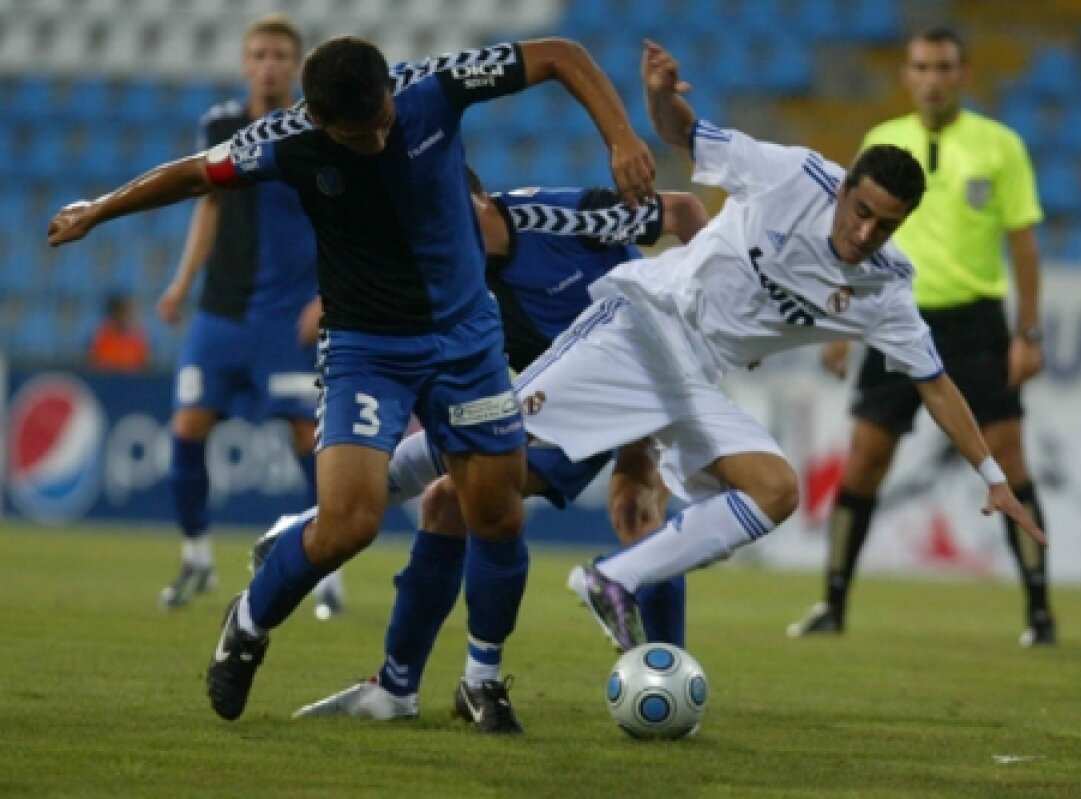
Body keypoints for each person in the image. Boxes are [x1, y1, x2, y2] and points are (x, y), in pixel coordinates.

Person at [47, 35, 656, 732]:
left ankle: (482, 679)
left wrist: (622, 137)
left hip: (465, 339)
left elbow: (559, 55)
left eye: (382, 120)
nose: (375, 136)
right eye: (356, 132)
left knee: (496, 511)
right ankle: (246, 622)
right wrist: (99, 208)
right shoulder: (282, 140)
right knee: (348, 522)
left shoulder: (432, 88)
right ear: (318, 118)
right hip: (367, 346)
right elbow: (192, 174)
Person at [493, 39, 1043, 653]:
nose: (865, 233)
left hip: (694, 376)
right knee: (479, 446)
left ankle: (612, 581)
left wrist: (991, 476)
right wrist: (657, 96)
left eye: (884, 225)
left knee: (773, 490)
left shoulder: (886, 287)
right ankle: (378, 484)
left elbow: (936, 385)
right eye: (859, 212)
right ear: (842, 188)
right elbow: (685, 134)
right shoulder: (791, 175)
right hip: (645, 324)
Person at [283, 170, 708, 724]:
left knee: (636, 505)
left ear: (482, 203)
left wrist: (705, 316)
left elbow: (685, 214)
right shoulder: (450, 274)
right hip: (565, 394)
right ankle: (398, 689)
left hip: (649, 366)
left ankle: (662, 670)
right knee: (447, 501)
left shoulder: (559, 215)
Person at [788, 27, 1055, 647]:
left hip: (975, 321)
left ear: (963, 74)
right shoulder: (882, 141)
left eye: (943, 66)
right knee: (864, 461)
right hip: (890, 315)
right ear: (907, 75)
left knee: (1009, 462)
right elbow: (849, 237)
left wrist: (1029, 332)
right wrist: (837, 321)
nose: (932, 78)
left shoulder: (1000, 146)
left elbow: (1023, 243)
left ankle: (1039, 613)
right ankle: (832, 603)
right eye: (921, 66)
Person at [151, 14, 343, 617]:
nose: (268, 64)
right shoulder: (221, 125)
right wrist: (182, 282)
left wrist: (327, 297)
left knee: (307, 439)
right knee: (186, 428)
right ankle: (196, 558)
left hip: (288, 316)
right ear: (244, 63)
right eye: (259, 54)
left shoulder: (318, 129)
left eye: (280, 55)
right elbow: (207, 205)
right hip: (221, 312)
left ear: (298, 65)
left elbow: (341, 222)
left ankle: (326, 573)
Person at [88, 294, 149, 372]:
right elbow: (94, 363)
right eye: (120, 313)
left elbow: (144, 365)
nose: (123, 317)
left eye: (125, 313)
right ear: (113, 314)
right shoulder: (101, 336)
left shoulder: (138, 337)